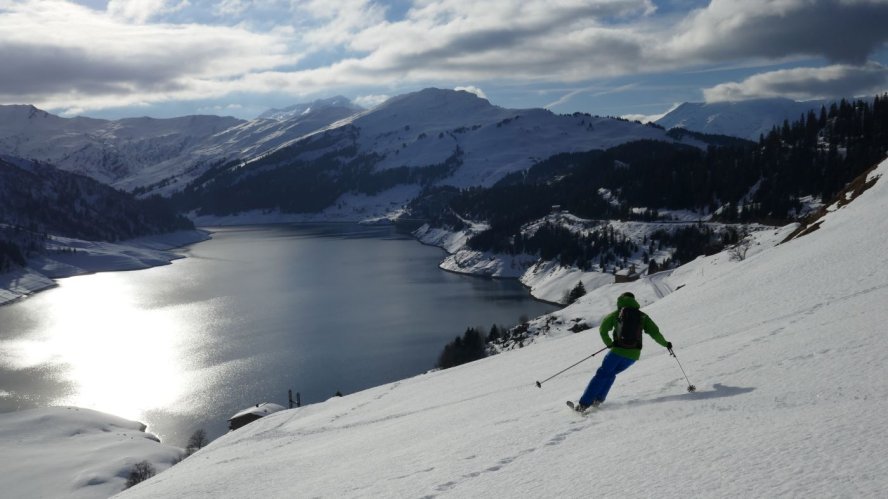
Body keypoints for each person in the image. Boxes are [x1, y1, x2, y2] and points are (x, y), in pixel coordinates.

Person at [573, 291, 671, 411]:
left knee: (602, 374)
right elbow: (655, 333)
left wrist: (609, 343)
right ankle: (598, 400)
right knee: (610, 374)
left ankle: (583, 405)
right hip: (633, 356)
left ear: (620, 300)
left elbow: (603, 329)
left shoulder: (616, 314)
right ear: (634, 301)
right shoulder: (642, 316)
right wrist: (666, 344)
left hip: (617, 352)